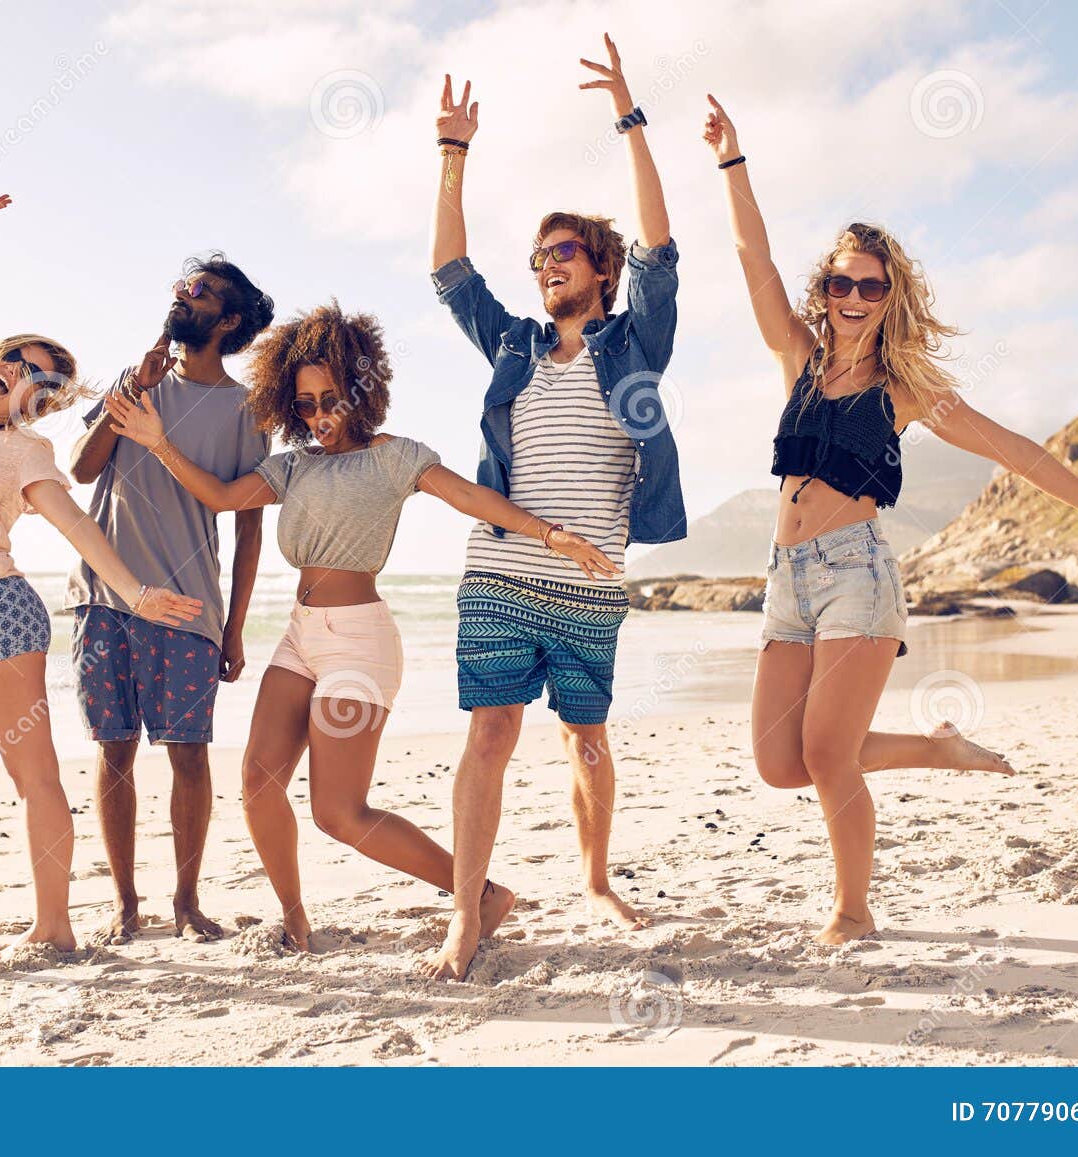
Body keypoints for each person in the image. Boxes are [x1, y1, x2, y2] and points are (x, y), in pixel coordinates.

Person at [700, 96, 1078, 944]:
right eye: (842, 282)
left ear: (889, 296)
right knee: (777, 760)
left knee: (829, 756)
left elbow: (1011, 446)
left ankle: (853, 911)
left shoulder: (903, 389)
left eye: (872, 286)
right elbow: (749, 253)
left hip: (857, 576)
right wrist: (734, 162)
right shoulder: (797, 360)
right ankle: (939, 748)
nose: (855, 296)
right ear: (825, 289)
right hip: (785, 579)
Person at [105, 302, 617, 952]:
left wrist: (550, 534)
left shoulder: (393, 457)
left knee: (338, 813)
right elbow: (222, 496)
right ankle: (295, 918)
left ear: (360, 389)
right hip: (301, 634)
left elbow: (469, 497)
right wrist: (157, 442)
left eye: (331, 398)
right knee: (258, 784)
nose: (319, 415)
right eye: (307, 403)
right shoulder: (294, 465)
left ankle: (479, 893)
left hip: (359, 642)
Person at [422, 35, 687, 981]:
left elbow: (662, 247)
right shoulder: (515, 346)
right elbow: (449, 269)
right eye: (537, 257)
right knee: (487, 735)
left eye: (562, 253)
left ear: (600, 269)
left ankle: (595, 878)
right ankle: (465, 915)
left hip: (590, 581)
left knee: (586, 736)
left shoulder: (634, 341)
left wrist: (630, 118)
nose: (545, 267)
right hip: (500, 567)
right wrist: (453, 157)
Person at [0, 193, 202, 977]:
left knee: (33, 776)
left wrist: (132, 592)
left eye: (39, 377)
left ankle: (53, 926)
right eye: (17, 358)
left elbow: (76, 525)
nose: (18, 373)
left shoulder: (22, 450)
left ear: (43, 401)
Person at [66, 254, 275, 945]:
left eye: (204, 291)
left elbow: (249, 524)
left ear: (231, 318)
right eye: (184, 286)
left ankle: (186, 900)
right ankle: (126, 904)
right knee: (114, 748)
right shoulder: (141, 382)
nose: (187, 297)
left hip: (188, 607)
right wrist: (132, 388)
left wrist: (236, 625)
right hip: (102, 597)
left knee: (189, 754)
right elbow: (80, 467)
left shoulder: (247, 410)